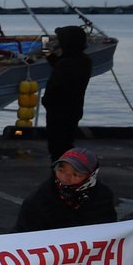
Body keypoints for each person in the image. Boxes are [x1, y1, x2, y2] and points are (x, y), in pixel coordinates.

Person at [13, 148, 117, 233]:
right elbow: (20, 235)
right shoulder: (38, 199)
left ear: (91, 177)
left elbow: (109, 233)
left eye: (76, 174)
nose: (66, 178)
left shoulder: (102, 197)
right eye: (61, 170)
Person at [43, 25, 92, 162]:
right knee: (65, 143)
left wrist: (46, 102)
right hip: (74, 109)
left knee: (57, 147)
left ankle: (59, 177)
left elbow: (56, 85)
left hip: (58, 111)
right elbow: (61, 63)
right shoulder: (83, 61)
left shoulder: (66, 64)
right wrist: (47, 52)